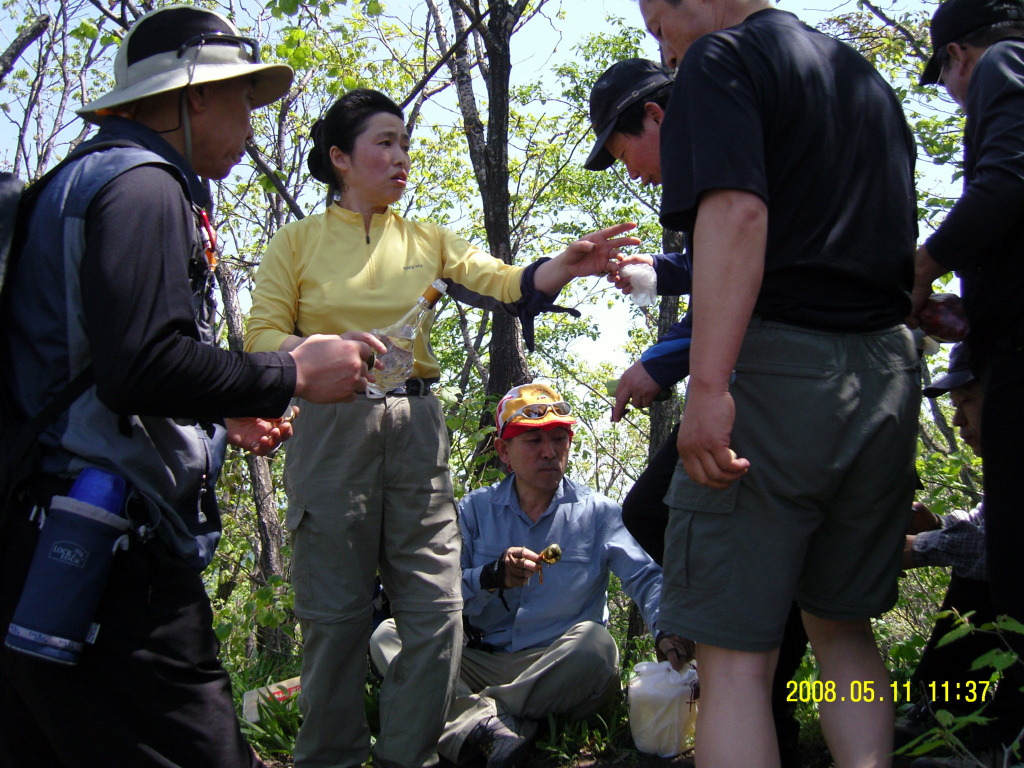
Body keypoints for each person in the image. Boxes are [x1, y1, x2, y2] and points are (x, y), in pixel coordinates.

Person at [0, 6, 382, 768]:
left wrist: (225, 410)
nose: (251, 119)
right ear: (192, 97)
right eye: (240, 97)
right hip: (107, 564)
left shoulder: (78, 181)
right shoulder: (143, 188)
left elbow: (97, 369)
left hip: (36, 544)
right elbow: (141, 363)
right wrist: (290, 373)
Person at [243, 88, 641, 768]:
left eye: (405, 143)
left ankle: (413, 757)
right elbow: (263, 337)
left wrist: (562, 267)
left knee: (433, 610)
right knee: (336, 618)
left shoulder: (426, 241)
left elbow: (505, 280)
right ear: (340, 158)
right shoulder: (297, 243)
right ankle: (330, 758)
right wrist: (323, 351)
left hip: (417, 429)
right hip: (333, 426)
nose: (402, 157)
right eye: (385, 143)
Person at [634, 1, 921, 766]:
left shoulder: (719, 64)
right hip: (888, 374)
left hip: (777, 377)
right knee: (842, 630)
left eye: (654, 20)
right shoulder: (863, 76)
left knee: (733, 660)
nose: (657, 42)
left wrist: (707, 386)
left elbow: (736, 215)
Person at [584, 57, 809, 768]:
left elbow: (758, 265)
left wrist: (666, 361)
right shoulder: (711, 155)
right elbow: (724, 258)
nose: (632, 174)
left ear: (654, 117)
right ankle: (763, 714)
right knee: (654, 511)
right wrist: (663, 272)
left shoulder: (734, 127)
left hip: (771, 382)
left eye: (624, 154)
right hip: (744, 379)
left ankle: (764, 714)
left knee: (677, 521)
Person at [369, 382, 689, 768]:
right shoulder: (473, 510)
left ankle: (474, 718)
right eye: (532, 440)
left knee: (598, 647)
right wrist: (490, 577)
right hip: (479, 657)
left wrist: (667, 629)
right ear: (504, 451)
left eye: (558, 438)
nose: (549, 451)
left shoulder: (600, 514)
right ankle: (499, 724)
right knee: (390, 634)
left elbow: (646, 578)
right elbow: (437, 594)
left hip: (555, 663)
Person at [911, 0, 1024, 753]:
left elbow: (1009, 180)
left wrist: (921, 265)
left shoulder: (1005, 64)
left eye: (945, 77)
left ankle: (998, 733)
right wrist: (975, 313)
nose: (953, 94)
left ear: (958, 55)